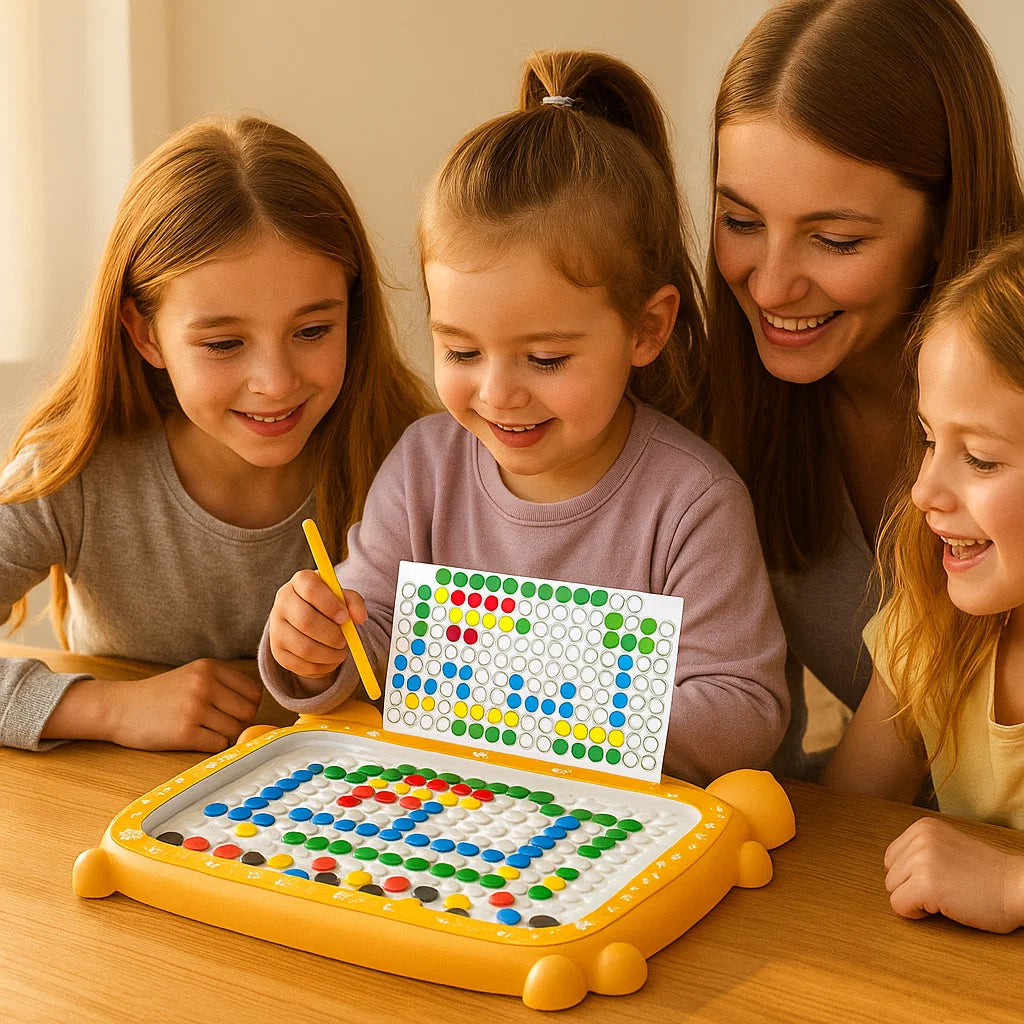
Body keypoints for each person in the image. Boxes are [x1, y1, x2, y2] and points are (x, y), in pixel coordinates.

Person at [262, 50, 789, 786]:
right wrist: (316, 646)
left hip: (613, 836)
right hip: (448, 823)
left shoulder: (692, 501)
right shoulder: (423, 466)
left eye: (545, 359)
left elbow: (745, 708)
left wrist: (525, 714)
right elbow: (368, 639)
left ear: (647, 328)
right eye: (462, 350)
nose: (498, 394)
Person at [0, 116, 433, 753]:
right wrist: (106, 708)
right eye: (224, 343)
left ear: (354, 313)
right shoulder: (74, 469)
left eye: (312, 331)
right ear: (146, 334)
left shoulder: (417, 462)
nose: (275, 383)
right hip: (115, 818)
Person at [705, 0, 1024, 775]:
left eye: (835, 239)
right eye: (740, 222)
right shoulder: (707, 417)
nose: (772, 287)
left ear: (945, 221)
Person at [824, 233, 1024, 933]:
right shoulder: (933, 627)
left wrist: (1009, 885)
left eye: (980, 459)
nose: (923, 490)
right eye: (929, 439)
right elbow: (842, 824)